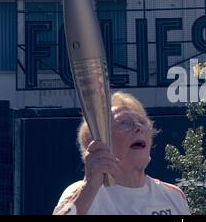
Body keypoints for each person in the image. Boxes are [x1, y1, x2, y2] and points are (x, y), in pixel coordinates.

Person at [53, 91, 190, 215]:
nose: (138, 128)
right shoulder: (83, 194)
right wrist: (90, 185)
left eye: (142, 122)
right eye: (124, 123)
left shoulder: (173, 196)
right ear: (99, 142)